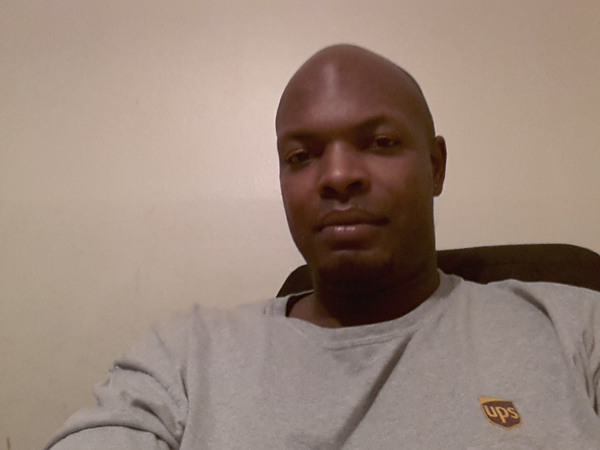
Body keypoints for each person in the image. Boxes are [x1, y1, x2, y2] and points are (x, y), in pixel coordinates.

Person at [46, 45, 600, 449]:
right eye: (301, 156)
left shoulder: (571, 330)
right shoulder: (185, 359)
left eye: (379, 142)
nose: (336, 175)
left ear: (435, 166)